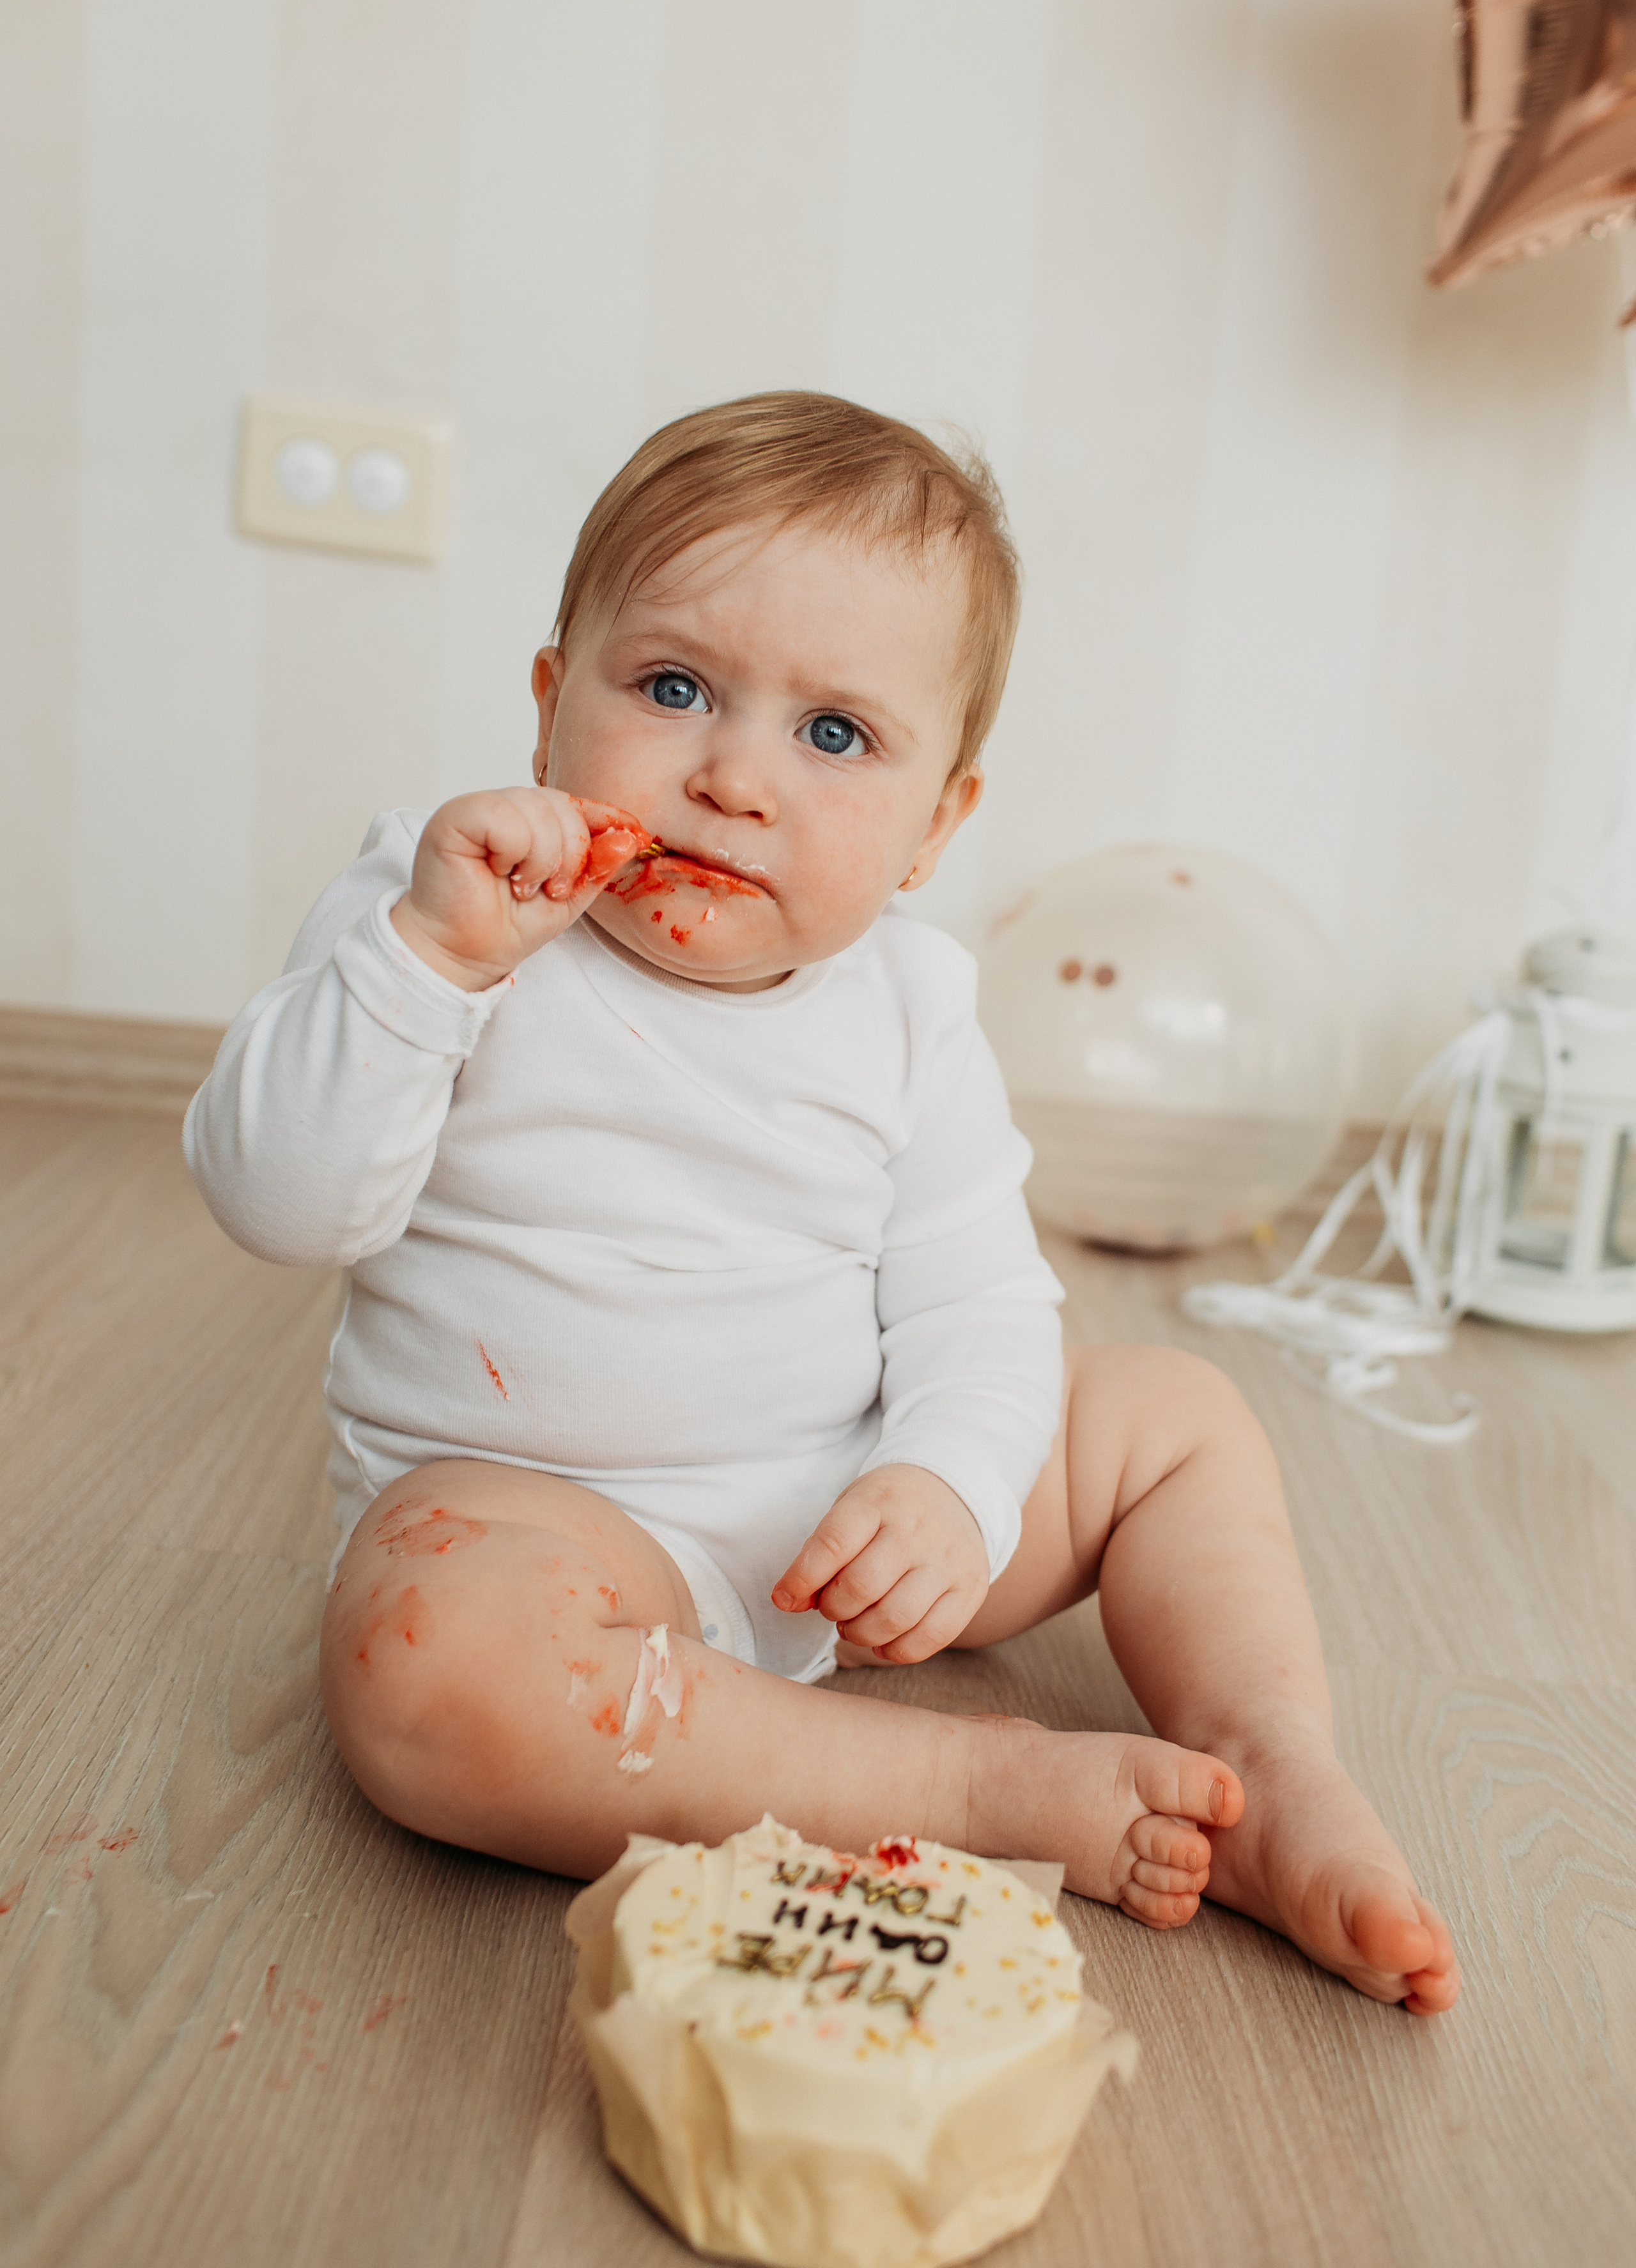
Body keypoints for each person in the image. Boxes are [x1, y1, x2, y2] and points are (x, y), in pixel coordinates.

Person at [186, 392, 1459, 2014]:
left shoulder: (912, 1009)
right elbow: (275, 1203)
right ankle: (964, 1794)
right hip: (549, 1537)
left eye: (834, 736)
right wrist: (423, 971)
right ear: (543, 707)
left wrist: (944, 1482)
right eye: (669, 689)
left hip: (845, 1528)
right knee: (424, 1665)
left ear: (937, 825)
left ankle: (1266, 1773)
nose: (732, 778)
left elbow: (979, 1305)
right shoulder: (437, 914)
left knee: (1173, 1415)